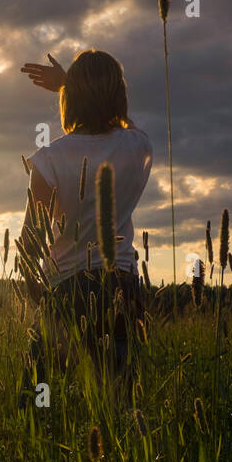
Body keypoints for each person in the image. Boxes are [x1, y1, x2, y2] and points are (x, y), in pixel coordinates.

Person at [18, 49, 153, 382]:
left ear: (71, 99)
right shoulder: (139, 147)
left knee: (39, 400)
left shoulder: (49, 158)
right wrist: (70, 83)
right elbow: (128, 125)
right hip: (122, 288)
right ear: (120, 96)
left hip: (66, 290)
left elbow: (29, 242)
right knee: (120, 399)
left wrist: (39, 297)